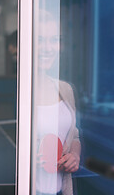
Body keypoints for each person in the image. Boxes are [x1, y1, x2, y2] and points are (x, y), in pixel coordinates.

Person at [34, 11, 81, 195]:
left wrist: (75, 155)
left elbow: (74, 136)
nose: (48, 47)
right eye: (39, 39)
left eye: (54, 39)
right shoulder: (18, 92)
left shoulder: (65, 89)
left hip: (62, 190)